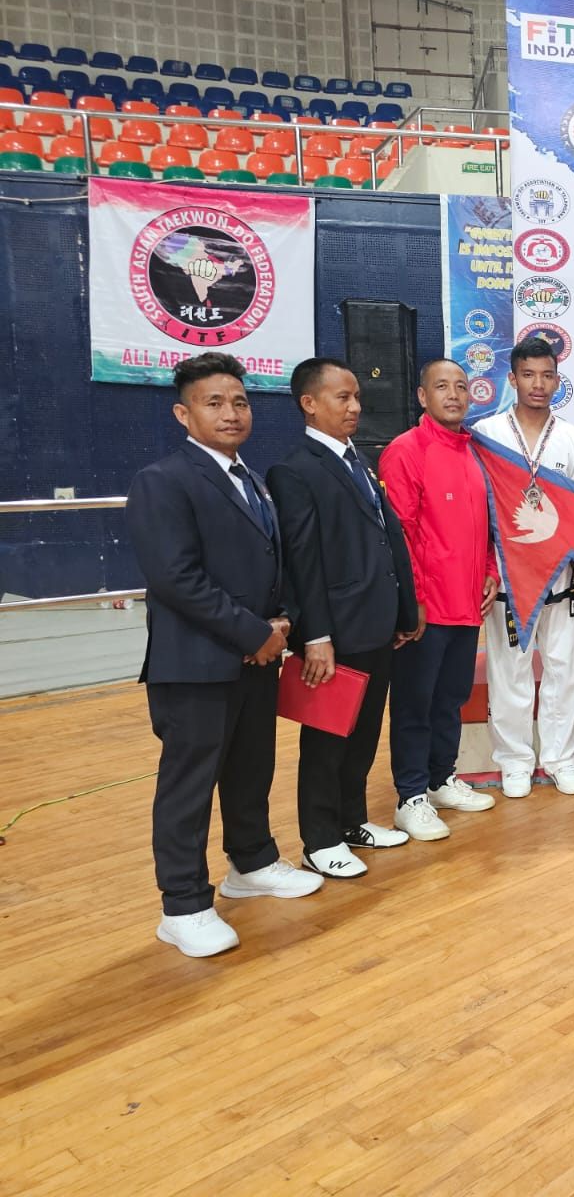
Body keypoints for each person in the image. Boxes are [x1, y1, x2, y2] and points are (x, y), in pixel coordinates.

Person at [126, 352, 322, 957]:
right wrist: (252, 632)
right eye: (214, 402)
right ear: (183, 414)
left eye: (239, 401)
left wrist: (280, 623)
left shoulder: (251, 479)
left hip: (256, 659)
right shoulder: (163, 480)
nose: (231, 413)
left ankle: (252, 862)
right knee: (188, 787)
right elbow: (175, 578)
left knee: (250, 769)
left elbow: (271, 564)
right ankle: (183, 905)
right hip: (196, 664)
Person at [266, 358, 423, 879]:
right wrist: (316, 635)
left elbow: (387, 539)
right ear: (309, 404)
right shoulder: (295, 470)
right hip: (335, 630)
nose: (355, 406)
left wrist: (404, 610)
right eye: (343, 397)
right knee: (327, 738)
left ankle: (352, 821)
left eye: (357, 396)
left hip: (376, 623)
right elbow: (303, 561)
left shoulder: (360, 462)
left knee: (363, 734)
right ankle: (320, 839)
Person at [378, 359, 500, 843]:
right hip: (426, 611)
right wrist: (415, 601)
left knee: (450, 699)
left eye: (461, 387)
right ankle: (410, 797)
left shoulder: (473, 454)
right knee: (415, 703)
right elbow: (400, 534)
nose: (453, 394)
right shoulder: (405, 451)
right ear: (422, 396)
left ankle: (440, 778)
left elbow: (484, 526)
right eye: (442, 386)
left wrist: (489, 572)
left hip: (467, 605)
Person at [473, 336, 574, 796]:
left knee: (565, 671)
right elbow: (477, 511)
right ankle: (514, 761)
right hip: (508, 577)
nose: (538, 384)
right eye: (528, 375)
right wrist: (485, 570)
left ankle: (561, 758)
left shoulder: (573, 438)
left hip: (561, 577)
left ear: (557, 380)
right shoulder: (486, 434)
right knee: (509, 673)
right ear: (512, 378)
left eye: (546, 375)